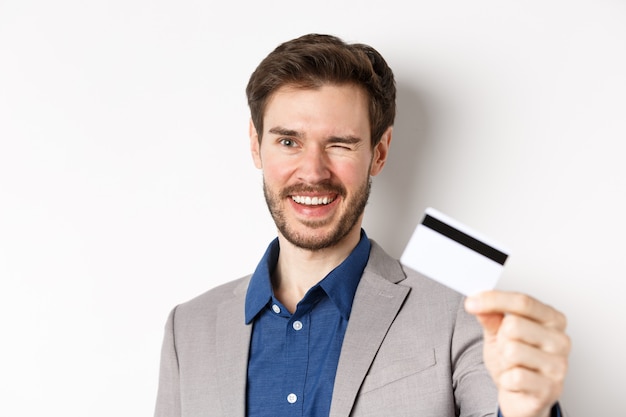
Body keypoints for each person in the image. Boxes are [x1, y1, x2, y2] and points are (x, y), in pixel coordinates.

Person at [154, 33, 570, 417]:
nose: (313, 172)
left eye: (339, 144)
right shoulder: (186, 329)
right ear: (255, 144)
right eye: (288, 141)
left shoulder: (459, 311)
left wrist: (526, 409)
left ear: (379, 152)